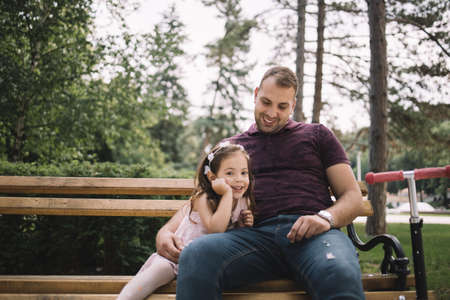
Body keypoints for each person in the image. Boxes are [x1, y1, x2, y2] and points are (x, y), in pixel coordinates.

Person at [156, 66, 365, 300]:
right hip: (253, 240)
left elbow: (352, 197)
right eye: (266, 102)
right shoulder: (229, 149)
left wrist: (325, 218)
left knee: (339, 272)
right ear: (255, 94)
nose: (272, 113)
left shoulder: (317, 135)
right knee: (196, 253)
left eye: (282, 106)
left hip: (315, 237)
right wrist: (165, 232)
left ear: (293, 106)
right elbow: (202, 198)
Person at [117, 142, 255, 300]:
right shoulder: (204, 198)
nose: (239, 179)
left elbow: (230, 236)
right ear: (212, 177)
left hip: (202, 266)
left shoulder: (244, 200)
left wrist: (242, 225)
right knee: (141, 286)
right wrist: (226, 195)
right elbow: (216, 230)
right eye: (230, 173)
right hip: (173, 259)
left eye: (244, 173)